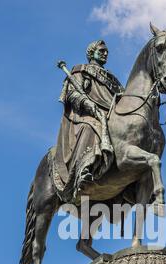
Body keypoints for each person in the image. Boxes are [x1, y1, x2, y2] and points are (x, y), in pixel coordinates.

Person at [51, 40, 124, 202]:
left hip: (112, 116)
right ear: (91, 53)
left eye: (107, 51)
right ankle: (84, 169)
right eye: (101, 50)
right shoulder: (81, 71)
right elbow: (72, 93)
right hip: (88, 115)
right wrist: (88, 104)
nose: (105, 53)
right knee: (90, 127)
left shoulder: (114, 81)